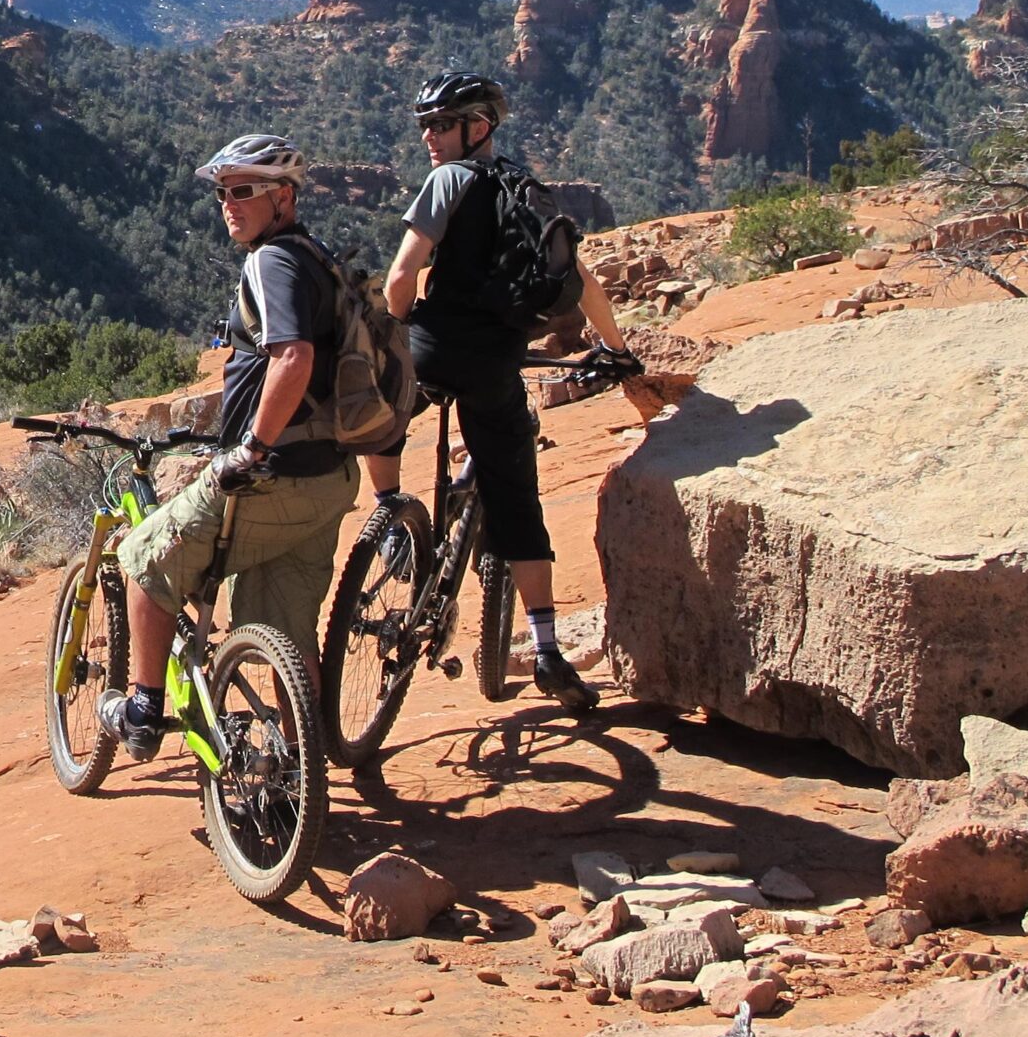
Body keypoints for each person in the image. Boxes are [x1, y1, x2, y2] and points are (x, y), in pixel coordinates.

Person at [362, 72, 633, 714]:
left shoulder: (446, 182)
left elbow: (402, 277)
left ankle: (392, 518)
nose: (429, 136)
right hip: (497, 360)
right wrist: (615, 347)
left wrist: (394, 329)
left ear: (476, 127)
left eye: (441, 124)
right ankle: (544, 648)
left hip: (434, 346)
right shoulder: (526, 191)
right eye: (425, 124)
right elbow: (582, 283)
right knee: (517, 498)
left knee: (377, 412)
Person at [99, 133, 362, 762]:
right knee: (283, 633)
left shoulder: (270, 261)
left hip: (273, 478)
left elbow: (292, 358)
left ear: (284, 196)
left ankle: (141, 709)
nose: (228, 203)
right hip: (327, 476)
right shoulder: (317, 259)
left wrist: (250, 449)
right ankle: (301, 775)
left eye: (244, 190)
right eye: (223, 191)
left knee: (140, 558)